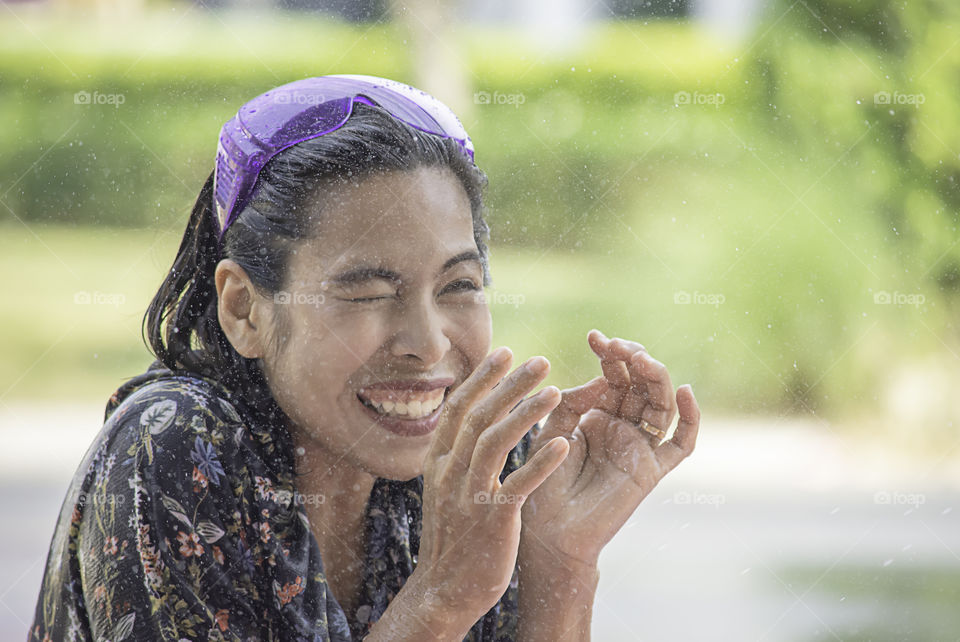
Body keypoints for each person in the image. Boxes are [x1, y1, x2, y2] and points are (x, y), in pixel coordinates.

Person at [28, 74, 700, 642]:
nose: (429, 344)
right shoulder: (177, 446)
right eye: (369, 292)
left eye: (459, 286)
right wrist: (438, 601)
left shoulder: (476, 461)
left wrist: (561, 559)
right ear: (244, 309)